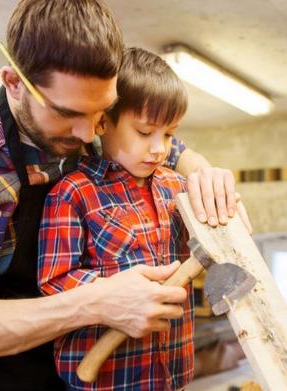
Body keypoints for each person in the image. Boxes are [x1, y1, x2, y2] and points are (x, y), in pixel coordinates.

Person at [0, 0, 249, 389]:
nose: (89, 134)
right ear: (14, 82)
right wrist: (95, 302)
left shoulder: (96, 116)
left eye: (103, 112)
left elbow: (176, 151)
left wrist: (207, 178)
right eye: (69, 115)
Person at [38, 47, 194, 390]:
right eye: (144, 132)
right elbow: (54, 283)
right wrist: (110, 295)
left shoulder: (175, 187)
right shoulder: (73, 192)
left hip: (172, 369)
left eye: (168, 135)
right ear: (103, 121)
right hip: (106, 375)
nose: (160, 149)